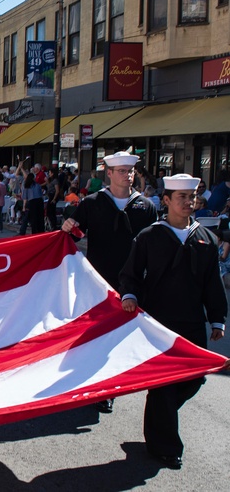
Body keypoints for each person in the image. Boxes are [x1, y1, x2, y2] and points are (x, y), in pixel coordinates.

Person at [119, 174, 227, 470]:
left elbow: (212, 284)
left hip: (192, 323)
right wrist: (129, 295)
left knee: (195, 378)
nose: (189, 202)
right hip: (159, 322)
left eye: (192, 197)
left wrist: (217, 319)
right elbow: (130, 273)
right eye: (182, 197)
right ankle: (166, 447)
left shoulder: (205, 238)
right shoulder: (149, 236)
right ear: (165, 201)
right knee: (165, 384)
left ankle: (157, 417)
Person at [61, 150, 157, 413]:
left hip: (133, 283)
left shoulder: (146, 207)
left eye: (131, 171)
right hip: (98, 282)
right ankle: (88, 381)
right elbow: (74, 236)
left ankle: (108, 388)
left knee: (119, 339)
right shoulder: (92, 202)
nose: (128, 176)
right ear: (110, 174)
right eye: (122, 171)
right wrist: (68, 225)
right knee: (97, 336)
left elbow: (154, 246)